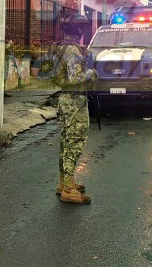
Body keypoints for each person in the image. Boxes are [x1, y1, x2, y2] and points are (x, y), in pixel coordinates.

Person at [50, 13, 98, 204]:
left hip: (65, 99)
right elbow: (73, 78)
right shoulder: (72, 50)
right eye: (81, 27)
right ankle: (68, 189)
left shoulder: (61, 46)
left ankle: (65, 182)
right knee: (74, 141)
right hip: (74, 100)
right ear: (77, 30)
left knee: (66, 140)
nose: (82, 30)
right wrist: (91, 73)